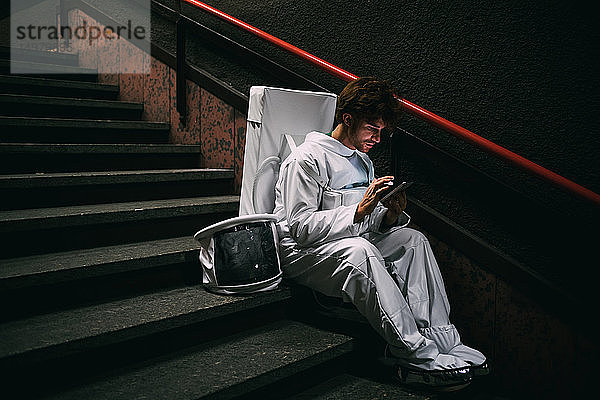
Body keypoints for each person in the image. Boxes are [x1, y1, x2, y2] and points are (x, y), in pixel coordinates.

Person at [273, 77, 488, 390]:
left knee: (412, 240)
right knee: (361, 253)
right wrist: (359, 211)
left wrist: (387, 217)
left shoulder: (362, 161)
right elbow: (302, 228)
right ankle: (414, 353)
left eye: (382, 131)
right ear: (348, 119)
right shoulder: (306, 158)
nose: (377, 137)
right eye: (372, 128)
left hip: (346, 241)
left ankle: (443, 340)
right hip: (302, 253)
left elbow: (366, 224)